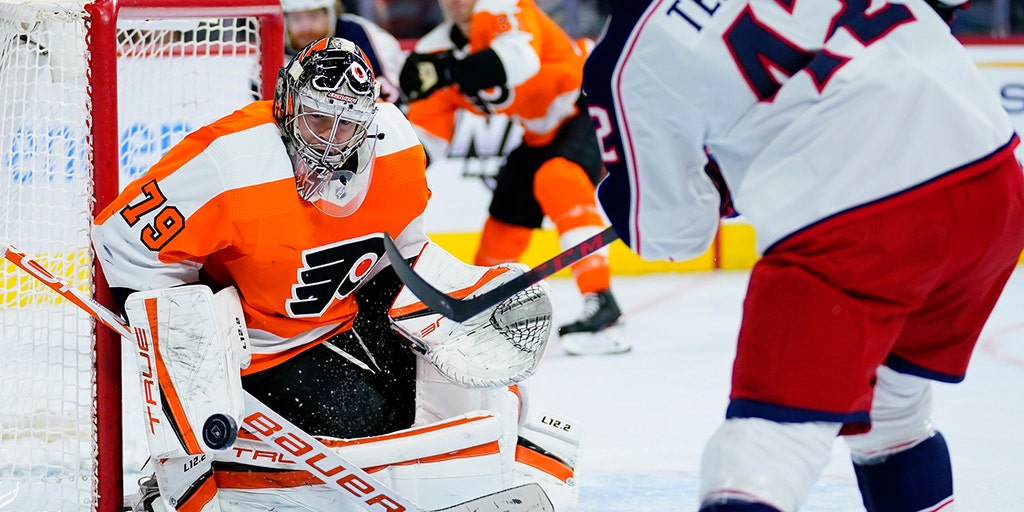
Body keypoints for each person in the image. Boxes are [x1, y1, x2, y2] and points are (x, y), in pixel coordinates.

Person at [95, 37, 579, 512]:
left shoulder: (396, 149)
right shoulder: (230, 160)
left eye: (346, 125)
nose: (330, 137)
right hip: (261, 350)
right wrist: (193, 344)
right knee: (366, 424)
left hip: (344, 318)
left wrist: (458, 302)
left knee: (476, 395)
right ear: (287, 101)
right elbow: (122, 241)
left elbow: (404, 254)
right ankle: (186, 483)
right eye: (319, 116)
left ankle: (491, 460)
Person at [582, 1, 1023, 511]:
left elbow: (671, 232)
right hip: (992, 182)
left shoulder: (626, 58)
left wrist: (682, 189)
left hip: (859, 221)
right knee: (891, 414)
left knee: (760, 456)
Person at [398, 0, 630, 356]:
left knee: (558, 178)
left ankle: (602, 303)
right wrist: (398, 174)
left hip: (591, 100)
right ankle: (482, 309)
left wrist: (448, 71)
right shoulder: (435, 50)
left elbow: (519, 60)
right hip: (540, 133)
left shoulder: (502, 6)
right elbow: (429, 135)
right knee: (505, 218)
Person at [283, 0, 404, 104]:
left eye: (313, 16)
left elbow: (390, 100)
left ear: (330, 15)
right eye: (296, 19)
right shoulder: (269, 45)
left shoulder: (359, 35)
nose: (306, 27)